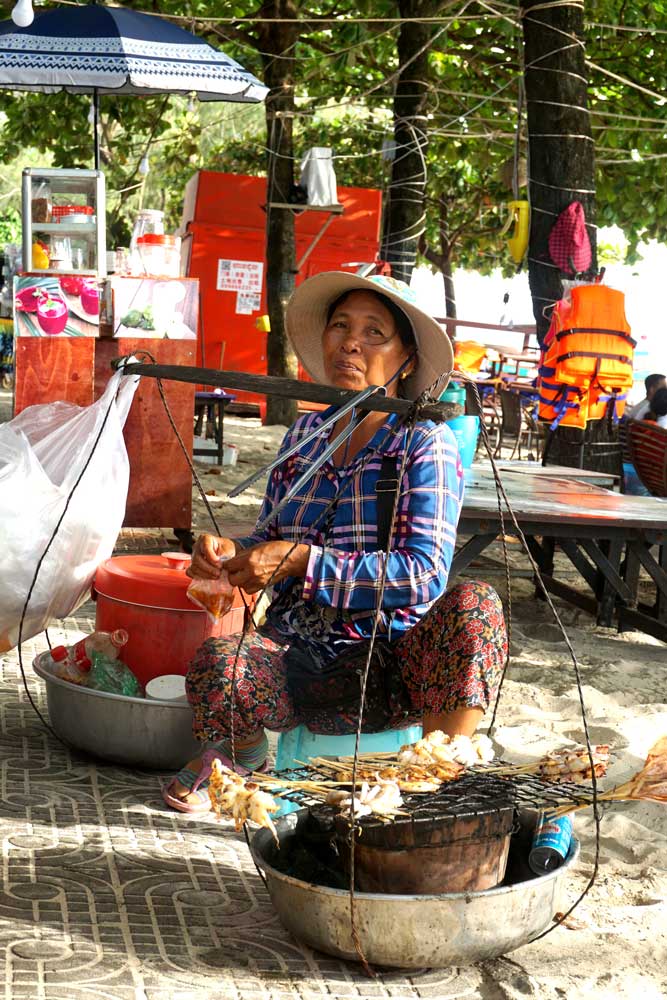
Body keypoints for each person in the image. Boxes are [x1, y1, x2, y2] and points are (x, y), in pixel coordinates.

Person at [163, 272, 508, 813]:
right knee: (216, 666)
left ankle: (442, 770)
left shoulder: (423, 443)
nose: (351, 342)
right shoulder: (305, 435)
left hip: (390, 665)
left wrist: (303, 561)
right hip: (300, 657)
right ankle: (246, 753)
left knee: (475, 608)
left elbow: (423, 572)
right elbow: (270, 538)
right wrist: (231, 554)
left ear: (408, 360)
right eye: (341, 326)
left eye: (375, 333)